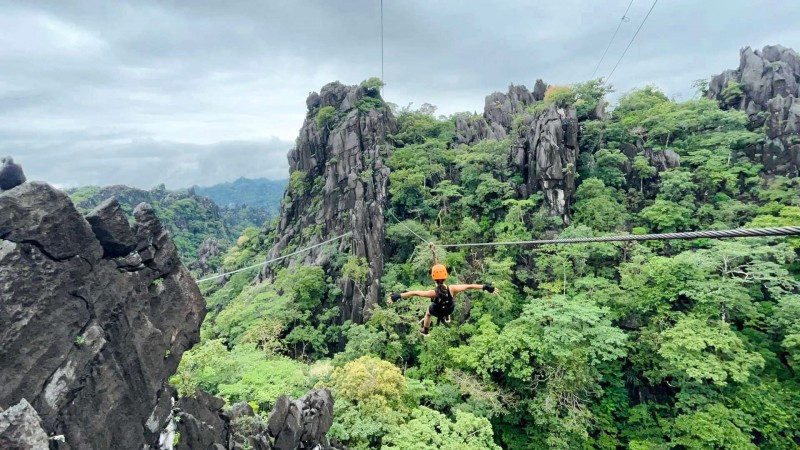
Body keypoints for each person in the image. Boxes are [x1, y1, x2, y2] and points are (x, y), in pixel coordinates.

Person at [386, 264, 498, 336]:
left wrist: (397, 296)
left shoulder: (432, 293)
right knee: (449, 304)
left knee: (428, 313)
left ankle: (425, 330)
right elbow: (469, 286)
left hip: (437, 311)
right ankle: (446, 316)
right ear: (446, 276)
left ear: (433, 278)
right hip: (449, 309)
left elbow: (414, 293)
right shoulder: (452, 289)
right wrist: (487, 287)